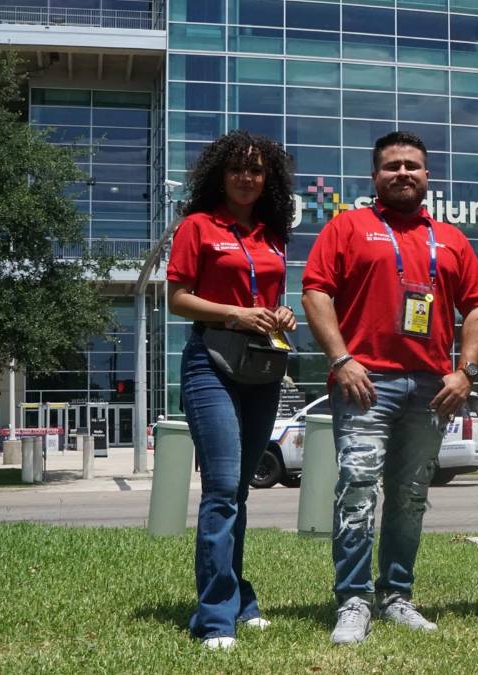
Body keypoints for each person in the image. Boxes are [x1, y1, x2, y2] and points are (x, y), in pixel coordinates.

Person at [301, 131, 478, 645]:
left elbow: (476, 306)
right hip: (365, 384)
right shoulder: (348, 227)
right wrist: (341, 360)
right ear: (375, 177)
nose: (403, 173)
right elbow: (315, 292)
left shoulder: (450, 239)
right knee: (357, 491)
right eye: (392, 166)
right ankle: (354, 600)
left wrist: (466, 371)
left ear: (427, 176)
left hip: (433, 388)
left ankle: (397, 596)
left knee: (410, 497)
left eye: (412, 165)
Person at [166, 130, 297, 651]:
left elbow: (269, 297)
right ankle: (216, 617)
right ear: (221, 175)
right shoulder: (198, 226)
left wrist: (280, 313)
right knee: (221, 490)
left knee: (240, 493)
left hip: (262, 364)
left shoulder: (272, 235)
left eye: (257, 170)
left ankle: (240, 597)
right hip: (210, 362)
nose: (247, 177)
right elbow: (178, 298)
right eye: (238, 168)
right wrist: (235, 313)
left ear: (269, 179)